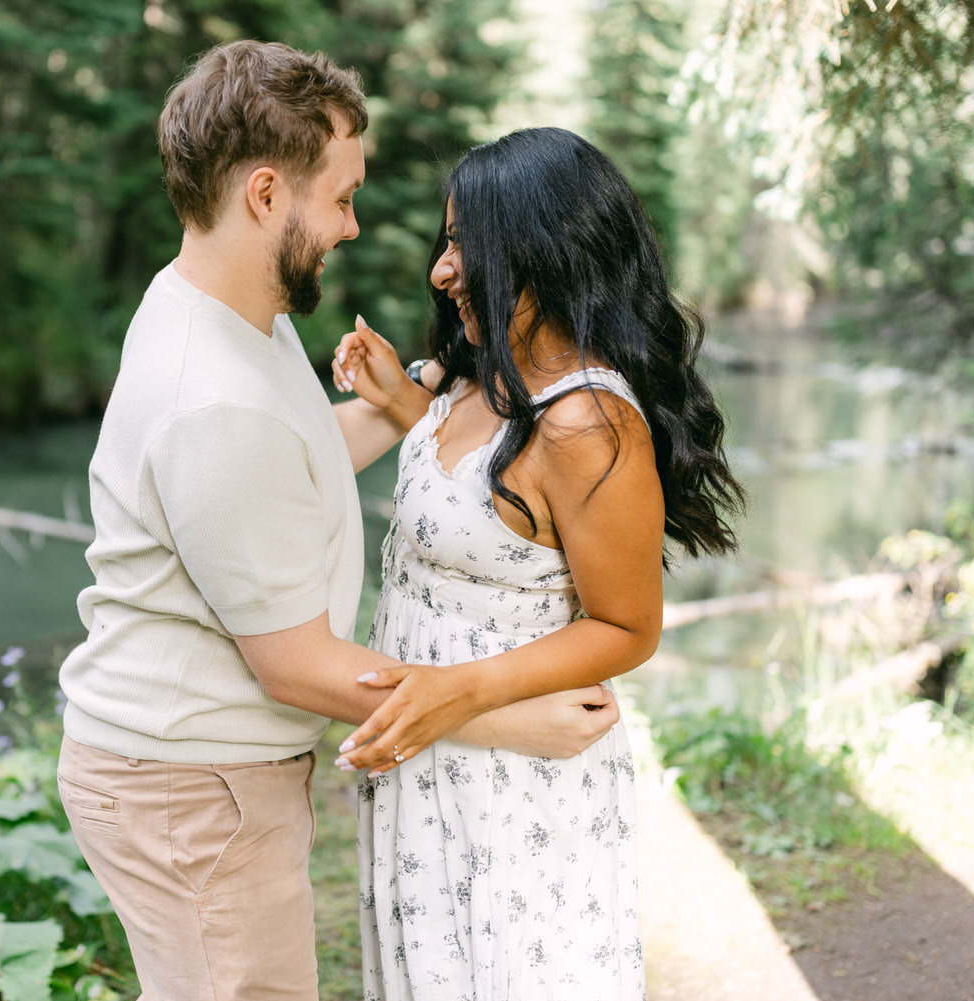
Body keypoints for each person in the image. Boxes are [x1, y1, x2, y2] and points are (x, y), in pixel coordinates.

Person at [55, 45, 619, 1001]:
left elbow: (299, 453)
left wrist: (441, 385)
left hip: (191, 772)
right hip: (190, 792)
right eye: (343, 199)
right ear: (267, 195)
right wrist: (509, 715)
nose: (353, 228)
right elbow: (297, 663)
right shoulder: (215, 398)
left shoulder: (224, 309)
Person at [331, 127, 745, 999]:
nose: (443, 269)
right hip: (428, 762)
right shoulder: (483, 376)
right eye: (446, 242)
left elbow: (627, 626)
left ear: (539, 252)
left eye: (463, 244)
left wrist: (462, 691)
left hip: (513, 785)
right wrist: (410, 405)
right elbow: (486, 511)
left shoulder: (587, 423)